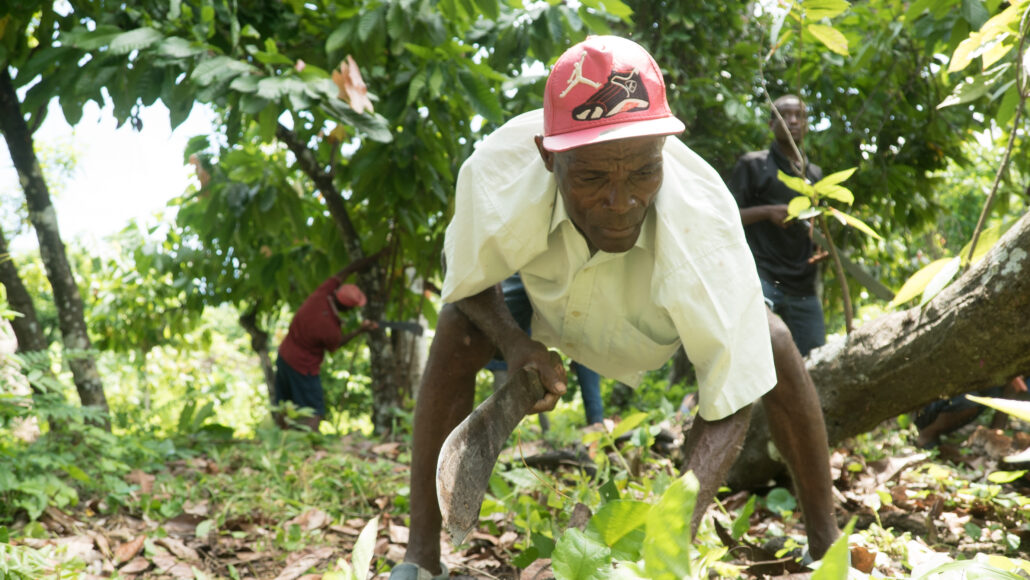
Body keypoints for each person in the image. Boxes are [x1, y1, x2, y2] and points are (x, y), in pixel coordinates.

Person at [390, 36, 838, 580]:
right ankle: (420, 557)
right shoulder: (494, 176)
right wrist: (513, 342)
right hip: (546, 302)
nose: (621, 201)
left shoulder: (705, 225)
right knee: (459, 325)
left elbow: (731, 397)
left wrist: (670, 540)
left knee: (770, 343)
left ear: (663, 152)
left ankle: (826, 543)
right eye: (593, 178)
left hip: (658, 321)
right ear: (548, 156)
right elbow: (466, 282)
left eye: (643, 173)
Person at [729, 95, 827, 357]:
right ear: (772, 124)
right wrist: (767, 212)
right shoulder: (753, 165)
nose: (793, 121)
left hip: (803, 286)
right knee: (754, 356)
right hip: (763, 277)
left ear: (806, 124)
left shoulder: (813, 174)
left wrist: (818, 248)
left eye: (800, 115)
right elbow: (728, 217)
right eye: (786, 115)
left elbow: (817, 224)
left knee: (816, 360)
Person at [273, 253, 381, 431]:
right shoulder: (329, 328)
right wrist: (360, 330)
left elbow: (344, 271)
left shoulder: (322, 293)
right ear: (346, 307)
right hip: (302, 366)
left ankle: (281, 438)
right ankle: (308, 440)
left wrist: (367, 260)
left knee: (285, 405)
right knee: (313, 408)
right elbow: (337, 344)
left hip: (284, 355)